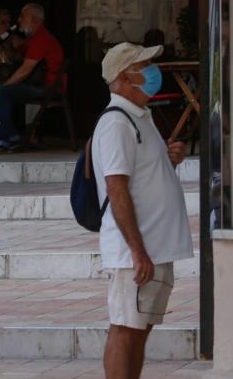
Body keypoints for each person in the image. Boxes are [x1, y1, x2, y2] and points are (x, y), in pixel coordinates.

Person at [91, 42, 193, 379]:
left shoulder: (139, 117)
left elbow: (141, 179)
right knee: (126, 328)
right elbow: (116, 189)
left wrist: (168, 160)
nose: (153, 72)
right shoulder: (117, 123)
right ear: (123, 77)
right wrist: (137, 251)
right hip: (137, 250)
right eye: (144, 66)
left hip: (154, 246)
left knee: (140, 329)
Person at [0, 3, 64, 152]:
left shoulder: (41, 38)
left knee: (1, 92)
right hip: (40, 84)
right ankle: (13, 135)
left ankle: (2, 141)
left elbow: (25, 71)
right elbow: (17, 50)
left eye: (23, 17)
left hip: (48, 87)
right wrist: (10, 38)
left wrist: (2, 88)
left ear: (34, 20)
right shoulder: (33, 37)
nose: (19, 20)